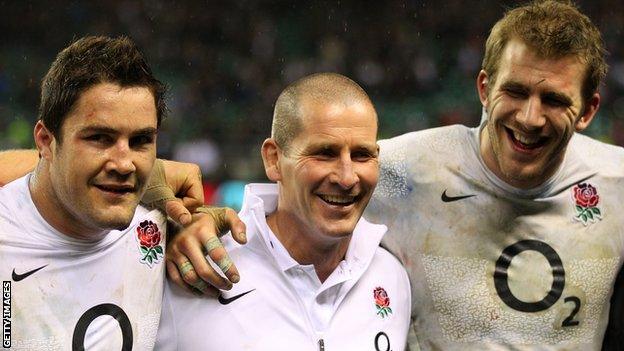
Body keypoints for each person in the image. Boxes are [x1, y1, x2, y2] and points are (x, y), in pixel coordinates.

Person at [363, 1, 623, 349]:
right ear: (484, 89)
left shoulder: (617, 185)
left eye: (554, 100)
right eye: (515, 91)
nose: (530, 118)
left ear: (588, 110)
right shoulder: (398, 172)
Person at [0, 35, 245, 350]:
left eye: (141, 141)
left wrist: (194, 225)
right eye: (100, 138)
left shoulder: (162, 231)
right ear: (46, 141)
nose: (124, 163)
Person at [155, 73, 411, 350]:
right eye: (325, 153)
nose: (347, 178)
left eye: (362, 155)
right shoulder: (194, 268)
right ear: (273, 159)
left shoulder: (391, 275)